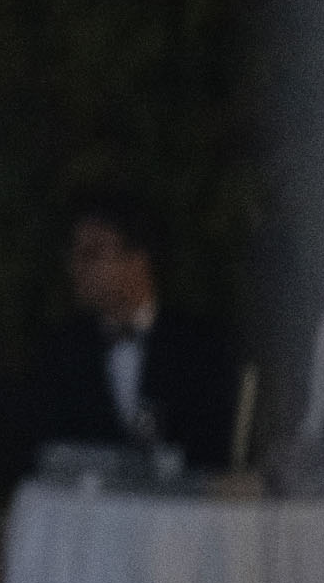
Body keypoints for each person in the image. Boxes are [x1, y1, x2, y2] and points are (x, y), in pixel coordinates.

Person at [34, 191, 238, 471]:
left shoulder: (198, 346)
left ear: (139, 259)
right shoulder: (64, 349)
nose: (76, 267)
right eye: (74, 254)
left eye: (92, 253)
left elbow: (214, 450)